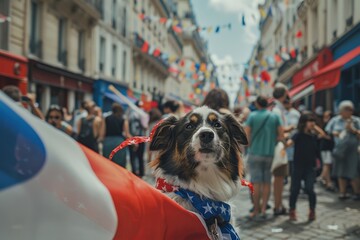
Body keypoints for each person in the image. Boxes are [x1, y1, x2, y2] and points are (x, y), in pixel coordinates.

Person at [244, 96, 283, 219]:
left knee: (256, 182)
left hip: (255, 153)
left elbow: (247, 134)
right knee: (267, 182)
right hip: (269, 153)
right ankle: (264, 209)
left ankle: (256, 210)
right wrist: (272, 141)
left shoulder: (252, 116)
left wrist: (250, 145)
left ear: (257, 104)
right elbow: (281, 135)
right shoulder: (275, 116)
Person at [287, 112, 320, 221]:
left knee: (310, 189)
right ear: (304, 122)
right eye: (310, 121)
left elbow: (324, 135)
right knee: (295, 189)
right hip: (298, 166)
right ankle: (292, 210)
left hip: (310, 167)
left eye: (313, 121)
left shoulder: (314, 135)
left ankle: (312, 210)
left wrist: (315, 128)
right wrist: (286, 139)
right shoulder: (298, 134)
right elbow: (290, 143)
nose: (312, 123)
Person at [325, 101, 360, 200]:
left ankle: (357, 192)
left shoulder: (356, 121)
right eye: (346, 109)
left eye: (350, 109)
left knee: (353, 171)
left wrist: (353, 130)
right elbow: (328, 132)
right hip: (340, 150)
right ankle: (342, 192)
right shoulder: (335, 120)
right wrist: (335, 133)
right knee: (340, 171)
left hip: (353, 150)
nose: (349, 112)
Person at [271, 83, 290, 216]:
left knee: (279, 178)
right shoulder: (277, 110)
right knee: (279, 178)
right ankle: (277, 206)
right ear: (284, 95)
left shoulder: (277, 109)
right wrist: (287, 136)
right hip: (279, 147)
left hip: (278, 147)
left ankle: (279, 204)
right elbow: (279, 132)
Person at [102, 103, 130, 168]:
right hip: (119, 142)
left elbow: (102, 132)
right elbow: (127, 134)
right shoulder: (123, 119)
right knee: (119, 165)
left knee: (107, 164)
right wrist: (134, 143)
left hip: (108, 142)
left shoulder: (106, 118)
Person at [128, 101, 147, 177]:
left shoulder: (132, 113)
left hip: (136, 138)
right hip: (140, 138)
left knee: (134, 156)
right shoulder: (142, 114)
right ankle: (140, 173)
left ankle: (135, 173)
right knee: (139, 156)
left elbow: (134, 127)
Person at [283, 97, 301, 176]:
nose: (286, 104)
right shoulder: (283, 112)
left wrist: (285, 131)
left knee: (292, 160)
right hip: (285, 138)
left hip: (292, 139)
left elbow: (294, 126)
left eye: (287, 102)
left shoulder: (294, 113)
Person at [319, 110, 335, 191]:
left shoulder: (332, 124)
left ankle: (327, 181)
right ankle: (324, 178)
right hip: (325, 147)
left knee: (327, 164)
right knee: (327, 163)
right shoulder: (326, 125)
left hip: (328, 147)